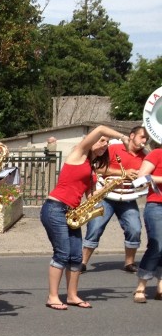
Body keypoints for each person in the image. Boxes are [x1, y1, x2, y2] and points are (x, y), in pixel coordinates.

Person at [40, 125, 132, 311]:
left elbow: (90, 196)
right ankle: (53, 297)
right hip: (55, 208)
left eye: (107, 143)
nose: (104, 144)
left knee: (75, 256)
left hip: (72, 211)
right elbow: (99, 129)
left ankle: (72, 296)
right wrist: (122, 137)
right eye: (101, 141)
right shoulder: (78, 153)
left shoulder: (91, 166)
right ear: (90, 143)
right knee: (62, 253)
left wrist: (109, 187)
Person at [80, 125, 149, 273]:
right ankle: (83, 262)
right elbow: (97, 167)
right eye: (142, 137)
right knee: (95, 227)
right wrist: (123, 174)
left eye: (147, 138)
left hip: (128, 197)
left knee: (134, 228)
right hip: (106, 195)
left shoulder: (145, 156)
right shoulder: (114, 148)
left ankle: (129, 263)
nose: (145, 140)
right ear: (131, 136)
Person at [133, 146, 162, 302]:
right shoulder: (157, 153)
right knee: (157, 245)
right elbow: (142, 176)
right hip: (157, 206)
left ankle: (160, 286)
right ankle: (141, 286)